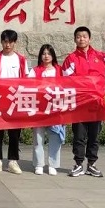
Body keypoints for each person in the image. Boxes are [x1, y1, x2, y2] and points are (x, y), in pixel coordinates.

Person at [62, 27, 105, 178]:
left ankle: (92, 164)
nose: (81, 39)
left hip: (96, 104)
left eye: (84, 36)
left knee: (94, 136)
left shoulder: (99, 56)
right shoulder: (71, 59)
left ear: (89, 39)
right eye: (78, 36)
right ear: (75, 39)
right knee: (79, 136)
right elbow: (65, 80)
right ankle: (78, 164)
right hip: (80, 104)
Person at [0, 29, 30, 175]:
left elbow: (26, 80)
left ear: (15, 42)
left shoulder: (21, 60)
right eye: (5, 42)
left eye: (10, 42)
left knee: (14, 133)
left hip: (15, 100)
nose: (8, 45)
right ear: (1, 42)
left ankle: (13, 161)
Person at [29, 44, 65, 176]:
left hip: (55, 108)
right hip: (39, 108)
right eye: (43, 54)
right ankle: (39, 164)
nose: (46, 56)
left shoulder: (60, 70)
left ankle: (53, 165)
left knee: (55, 136)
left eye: (49, 54)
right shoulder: (34, 71)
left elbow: (67, 86)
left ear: (53, 56)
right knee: (38, 138)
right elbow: (29, 87)